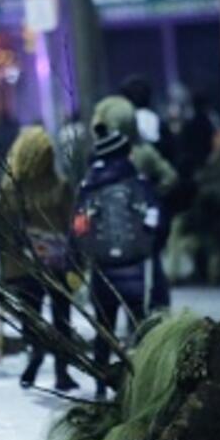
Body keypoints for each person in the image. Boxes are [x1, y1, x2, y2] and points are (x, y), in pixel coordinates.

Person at [72, 125, 160, 398]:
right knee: (139, 326)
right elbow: (156, 218)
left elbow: (78, 226)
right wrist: (149, 245)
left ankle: (101, 383)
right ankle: (143, 382)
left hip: (103, 269)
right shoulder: (139, 184)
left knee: (104, 329)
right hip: (135, 265)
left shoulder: (89, 186)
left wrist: (79, 256)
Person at [0, 126, 78, 391]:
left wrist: (6, 269)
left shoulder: (9, 189)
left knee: (30, 314)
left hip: (23, 264)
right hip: (57, 262)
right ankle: (61, 371)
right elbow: (71, 225)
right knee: (61, 316)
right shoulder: (59, 186)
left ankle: (35, 350)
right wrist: (78, 263)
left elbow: (3, 232)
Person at [92, 95, 178, 308]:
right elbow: (170, 177)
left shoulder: (100, 157)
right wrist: (153, 194)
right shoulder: (144, 152)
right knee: (152, 279)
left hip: (111, 233)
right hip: (142, 229)